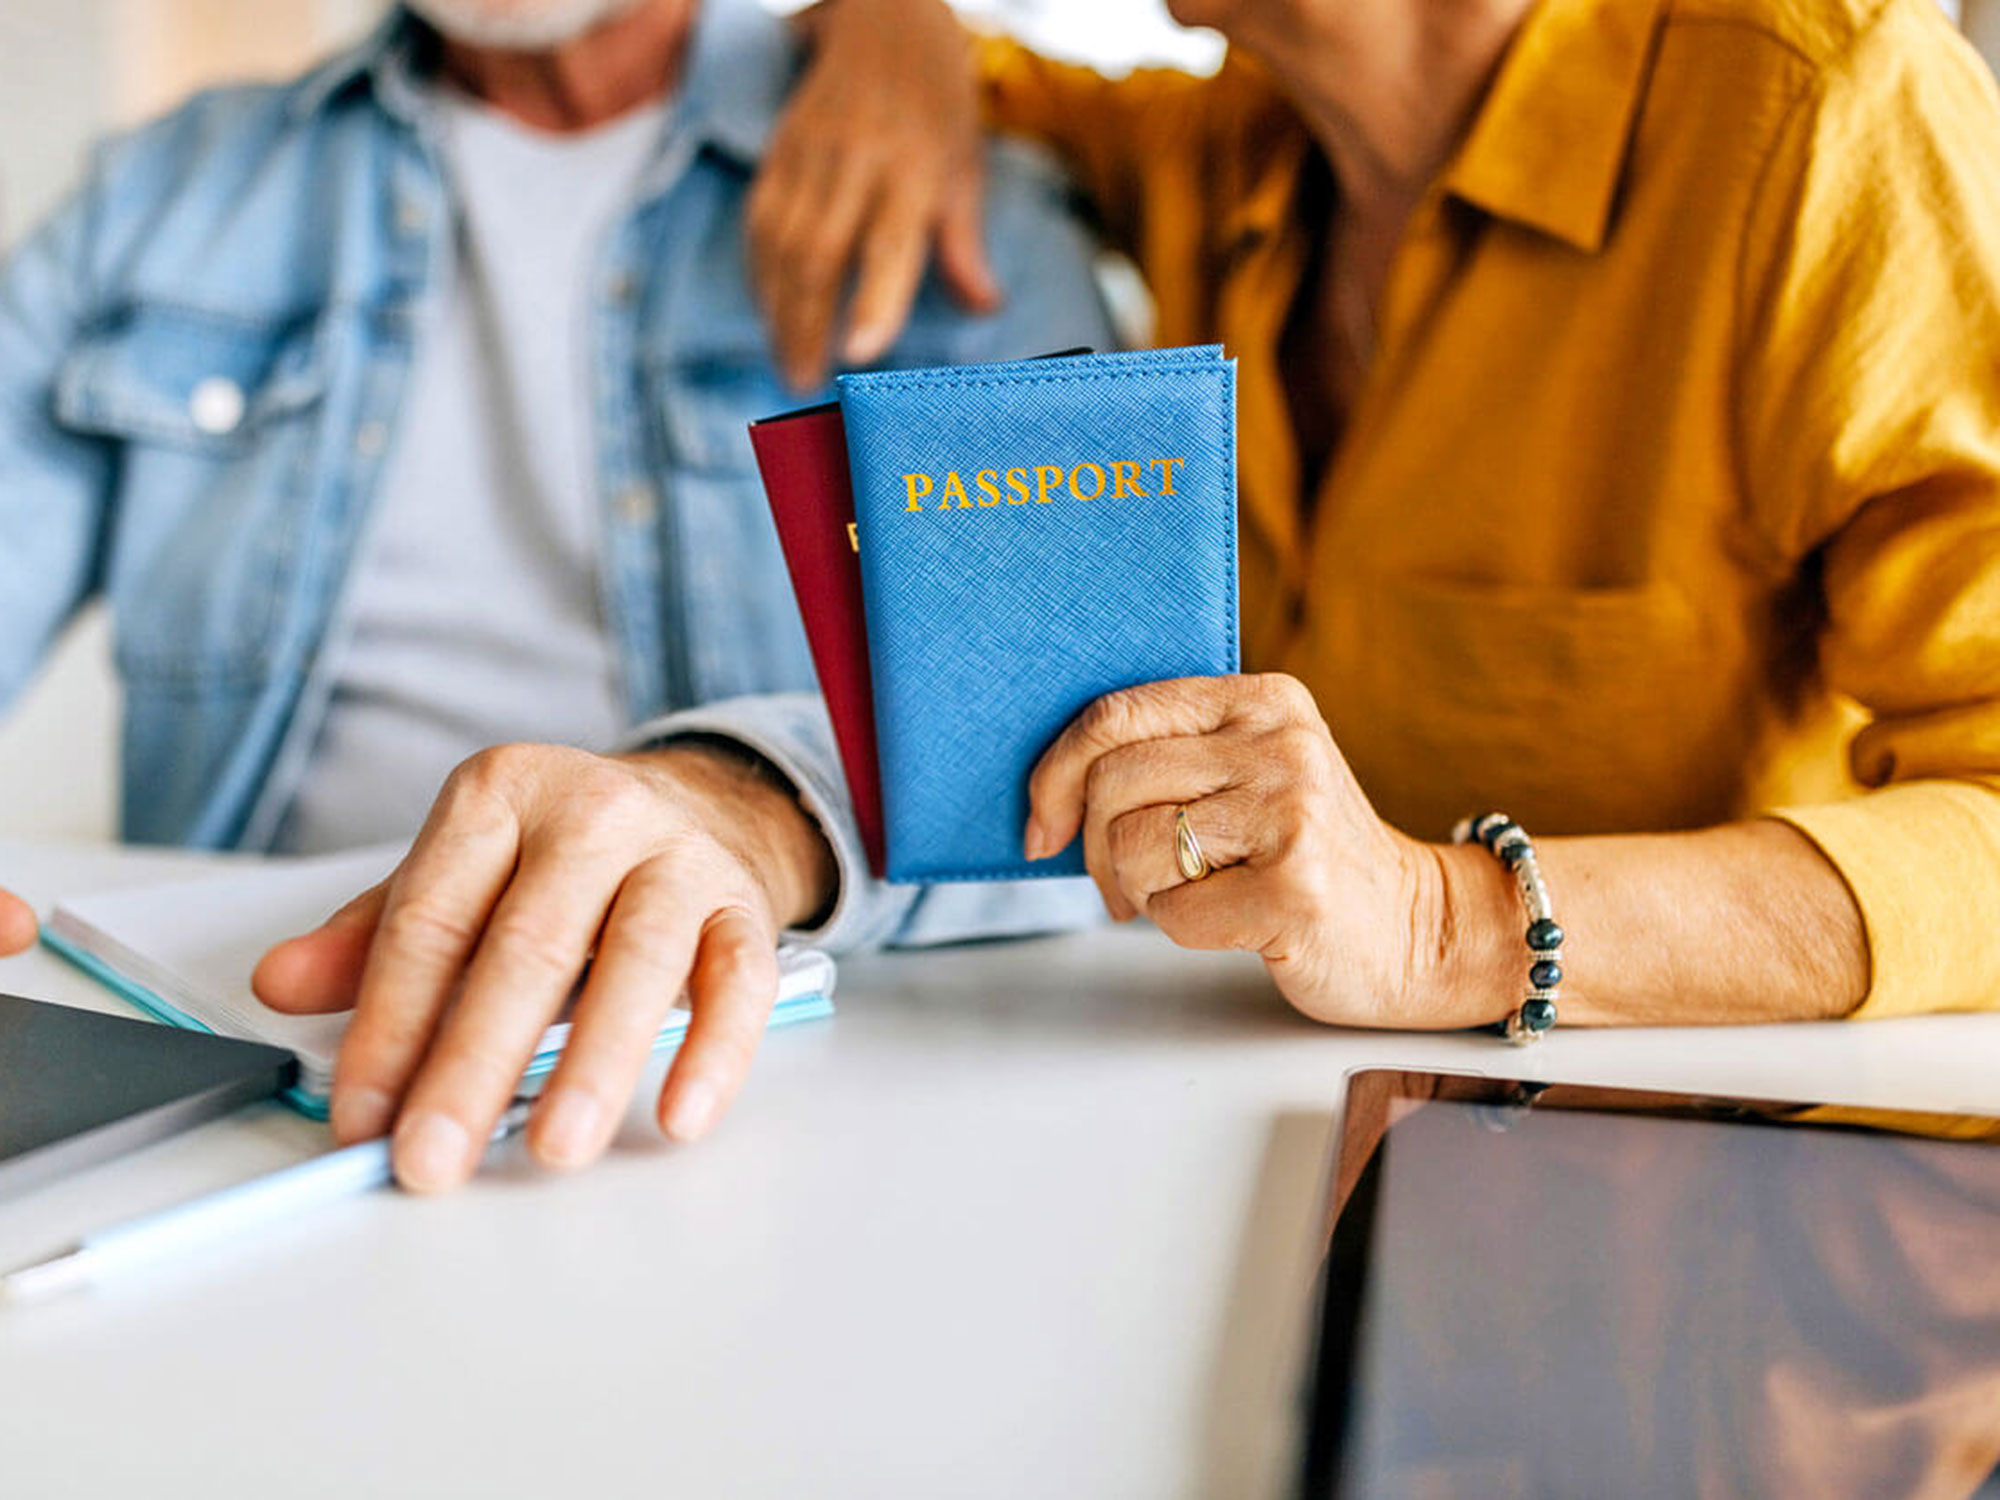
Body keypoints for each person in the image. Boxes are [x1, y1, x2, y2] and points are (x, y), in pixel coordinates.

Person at [0, 0, 1112, 1186]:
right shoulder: (162, 194)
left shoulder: (962, 201)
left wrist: (747, 806)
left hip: (785, 1099)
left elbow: (1091, 739)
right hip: (230, 1079)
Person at [734, 0, 2000, 1033]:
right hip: (1260, 1118)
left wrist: (1439, 925)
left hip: (1708, 1192)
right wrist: (889, 28)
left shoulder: (1836, 112)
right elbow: (946, 67)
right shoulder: (1229, 144)